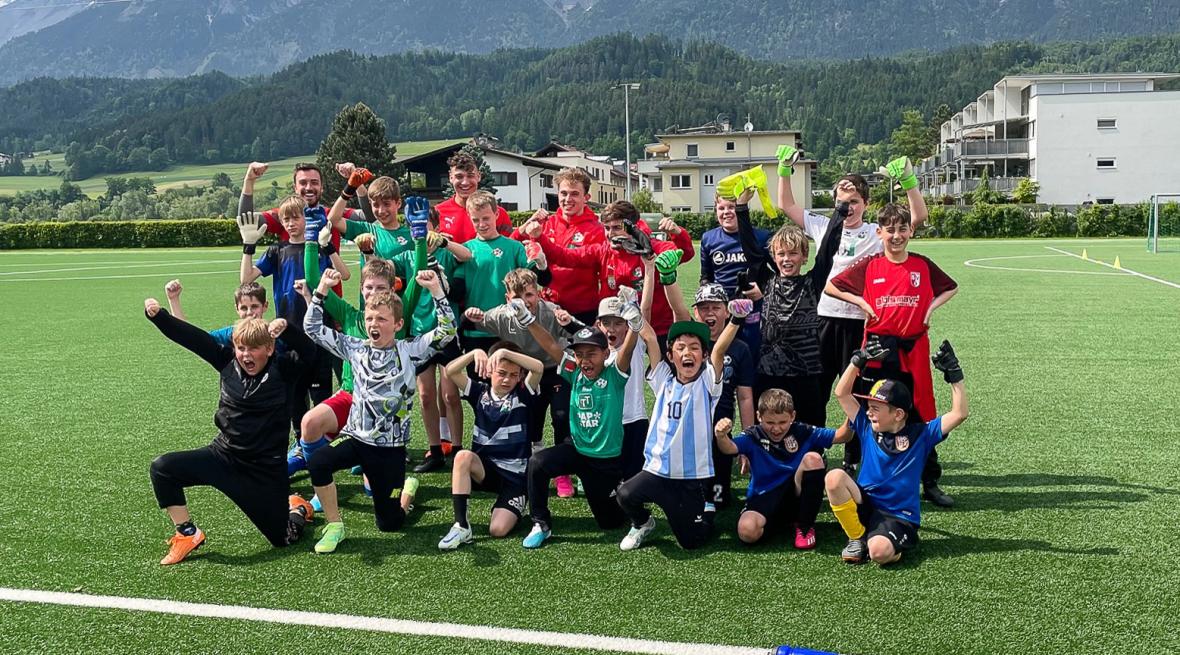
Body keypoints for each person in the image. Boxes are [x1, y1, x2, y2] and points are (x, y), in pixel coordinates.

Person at [775, 148, 927, 465]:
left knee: (857, 390)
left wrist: (910, 182)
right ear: (835, 203)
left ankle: (852, 455)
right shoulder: (822, 226)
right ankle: (812, 450)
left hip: (859, 325)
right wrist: (784, 170)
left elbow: (917, 218)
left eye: (854, 201)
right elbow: (786, 205)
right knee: (816, 389)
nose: (848, 208)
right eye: (842, 202)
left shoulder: (874, 231)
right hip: (823, 322)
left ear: (866, 204)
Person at [143, 300, 317, 565]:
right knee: (163, 468)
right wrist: (159, 317)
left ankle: (297, 507)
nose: (246, 355)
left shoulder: (284, 369)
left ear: (269, 349)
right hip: (223, 456)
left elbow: (309, 352)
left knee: (283, 539)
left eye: (254, 348)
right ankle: (187, 534)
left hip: (264, 470)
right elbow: (192, 337)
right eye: (241, 348)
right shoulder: (225, 360)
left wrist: (288, 330)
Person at [302, 268, 455, 554]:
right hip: (357, 440)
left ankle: (407, 491)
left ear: (397, 324)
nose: (374, 323)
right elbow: (312, 328)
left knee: (390, 523)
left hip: (390, 451)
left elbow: (447, 331)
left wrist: (437, 291)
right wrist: (321, 290)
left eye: (382, 319)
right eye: (370, 318)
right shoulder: (355, 348)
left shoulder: (411, 351)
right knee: (319, 461)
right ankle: (335, 525)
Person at [825, 203, 959, 506]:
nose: (896, 236)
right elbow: (832, 287)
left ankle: (930, 481)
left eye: (902, 229)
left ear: (910, 231)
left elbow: (951, 288)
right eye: (890, 230)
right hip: (878, 350)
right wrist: (862, 303)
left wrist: (929, 308)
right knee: (876, 414)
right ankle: (872, 478)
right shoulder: (870, 265)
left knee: (920, 413)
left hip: (914, 348)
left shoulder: (922, 265)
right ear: (879, 232)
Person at [614, 302, 746, 552]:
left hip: (690, 479)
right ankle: (643, 523)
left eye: (695, 348)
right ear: (670, 356)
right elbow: (651, 338)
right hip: (657, 472)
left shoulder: (708, 383)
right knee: (625, 494)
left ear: (703, 356)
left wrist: (736, 319)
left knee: (690, 543)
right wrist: (636, 321)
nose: (688, 353)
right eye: (681, 348)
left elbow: (719, 352)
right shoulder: (663, 380)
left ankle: (707, 511)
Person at [517, 297, 646, 549]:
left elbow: (628, 350)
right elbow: (551, 345)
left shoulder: (615, 373)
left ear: (606, 353)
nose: (585, 361)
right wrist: (528, 320)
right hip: (576, 450)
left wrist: (635, 325)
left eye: (591, 354)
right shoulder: (573, 371)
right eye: (579, 355)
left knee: (610, 522)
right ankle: (540, 523)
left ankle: (636, 514)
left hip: (605, 461)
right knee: (537, 463)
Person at [825, 340, 968, 564]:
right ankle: (857, 538)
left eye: (875, 408)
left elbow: (959, 413)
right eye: (869, 407)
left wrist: (954, 375)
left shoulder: (921, 435)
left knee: (879, 554)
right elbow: (842, 394)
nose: (869, 413)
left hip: (898, 515)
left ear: (898, 414)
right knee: (834, 478)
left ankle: (887, 543)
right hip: (865, 503)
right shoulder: (865, 426)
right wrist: (857, 361)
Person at [237, 195, 349, 441]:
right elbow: (246, 280)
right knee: (294, 397)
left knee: (322, 397)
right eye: (285, 219)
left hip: (319, 332)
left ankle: (323, 444)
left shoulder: (318, 247)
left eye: (296, 217)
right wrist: (248, 246)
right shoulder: (277, 251)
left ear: (306, 218)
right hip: (287, 335)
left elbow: (344, 274)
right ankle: (301, 444)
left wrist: (328, 246)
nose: (290, 223)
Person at [735, 192, 844, 427]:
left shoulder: (813, 282)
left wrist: (840, 211)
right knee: (769, 425)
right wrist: (741, 208)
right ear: (773, 257)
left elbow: (827, 249)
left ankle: (813, 462)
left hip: (807, 370)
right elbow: (752, 251)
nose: (786, 259)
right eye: (781, 254)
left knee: (810, 427)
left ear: (804, 256)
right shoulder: (767, 280)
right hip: (769, 371)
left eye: (793, 253)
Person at [462, 268, 575, 493]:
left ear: (539, 294)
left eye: (529, 295)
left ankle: (564, 473)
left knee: (562, 416)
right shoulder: (501, 315)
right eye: (517, 297)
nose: (524, 302)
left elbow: (576, 337)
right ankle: (534, 461)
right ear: (507, 298)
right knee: (529, 419)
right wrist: (469, 315)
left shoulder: (551, 312)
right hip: (526, 374)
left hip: (555, 370)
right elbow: (470, 325)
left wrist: (568, 321)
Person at [658, 253, 756, 508]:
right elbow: (678, 310)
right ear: (696, 312)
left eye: (715, 307)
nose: (709, 312)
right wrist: (669, 280)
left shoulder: (741, 348)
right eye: (704, 308)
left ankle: (714, 498)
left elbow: (744, 396)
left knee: (719, 497)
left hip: (719, 428)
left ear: (727, 311)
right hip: (685, 425)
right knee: (685, 492)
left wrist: (747, 442)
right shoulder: (690, 339)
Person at [526, 200, 693, 348]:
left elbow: (682, 254)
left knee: (667, 377)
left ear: (633, 227)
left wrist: (678, 235)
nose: (610, 233)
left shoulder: (651, 248)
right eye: (607, 228)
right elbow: (564, 257)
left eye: (617, 228)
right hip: (618, 331)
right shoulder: (603, 250)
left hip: (660, 327)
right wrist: (539, 237)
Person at [438, 342, 545, 549]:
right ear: (489, 371)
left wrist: (505, 353)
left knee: (497, 530)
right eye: (502, 372)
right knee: (462, 457)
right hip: (485, 470)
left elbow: (538, 367)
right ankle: (461, 526)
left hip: (514, 478)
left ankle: (517, 504)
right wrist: (474, 352)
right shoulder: (479, 392)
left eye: (514, 375)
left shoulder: (523, 394)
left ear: (520, 376)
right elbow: (451, 371)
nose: (507, 379)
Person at [714, 389, 851, 549]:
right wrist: (721, 436)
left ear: (792, 416)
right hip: (764, 496)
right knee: (747, 532)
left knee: (813, 459)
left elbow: (842, 436)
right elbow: (729, 448)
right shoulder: (753, 435)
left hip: (794, 494)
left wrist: (853, 414)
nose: (776, 429)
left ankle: (805, 527)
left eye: (782, 422)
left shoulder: (802, 431)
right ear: (759, 416)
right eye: (770, 423)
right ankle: (780, 522)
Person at [239, 161, 362, 297]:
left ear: (322, 187)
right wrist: (249, 181)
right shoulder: (283, 215)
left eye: (314, 182)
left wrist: (357, 180)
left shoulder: (333, 216)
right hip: (290, 311)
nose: (309, 187)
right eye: (303, 183)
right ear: (295, 187)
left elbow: (371, 217)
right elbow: (246, 221)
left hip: (329, 309)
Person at [510, 167, 605, 325]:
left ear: (586, 197)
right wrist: (528, 223)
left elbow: (567, 257)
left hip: (583, 310)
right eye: (564, 193)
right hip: (548, 307)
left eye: (575, 194)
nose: (568, 199)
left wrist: (540, 238)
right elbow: (511, 246)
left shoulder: (597, 230)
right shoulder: (547, 223)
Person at [700, 192, 771, 355]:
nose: (726, 212)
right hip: (721, 310)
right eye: (721, 208)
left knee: (751, 352)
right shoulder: (708, 238)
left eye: (732, 207)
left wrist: (763, 290)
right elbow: (706, 277)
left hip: (752, 306)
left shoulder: (761, 237)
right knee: (722, 355)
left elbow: (779, 275)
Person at [163, 279, 281, 351]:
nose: (249, 313)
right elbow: (192, 338)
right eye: (244, 308)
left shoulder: (275, 334)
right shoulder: (229, 335)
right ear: (237, 309)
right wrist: (174, 300)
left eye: (254, 306)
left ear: (265, 306)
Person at [435, 151, 514, 242]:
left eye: (470, 176)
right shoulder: (437, 213)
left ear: (478, 176)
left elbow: (509, 249)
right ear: (451, 177)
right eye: (459, 176)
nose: (465, 182)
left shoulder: (497, 213)